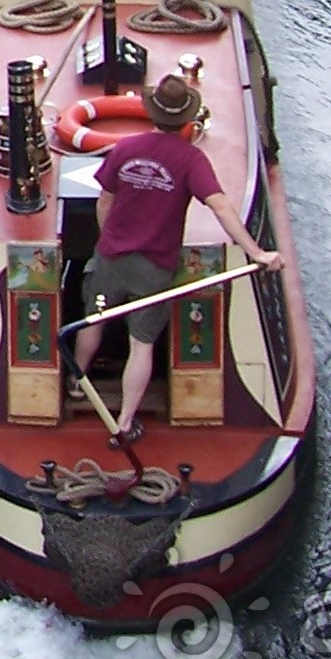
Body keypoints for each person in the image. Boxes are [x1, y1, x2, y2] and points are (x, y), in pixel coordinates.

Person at [68, 65, 283, 445]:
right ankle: (123, 423)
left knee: (94, 319)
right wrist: (256, 252)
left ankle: (75, 382)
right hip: (153, 271)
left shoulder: (125, 149)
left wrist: (109, 240)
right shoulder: (191, 161)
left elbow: (104, 200)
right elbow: (220, 208)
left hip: (110, 260)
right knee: (142, 343)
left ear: (150, 112)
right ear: (186, 118)